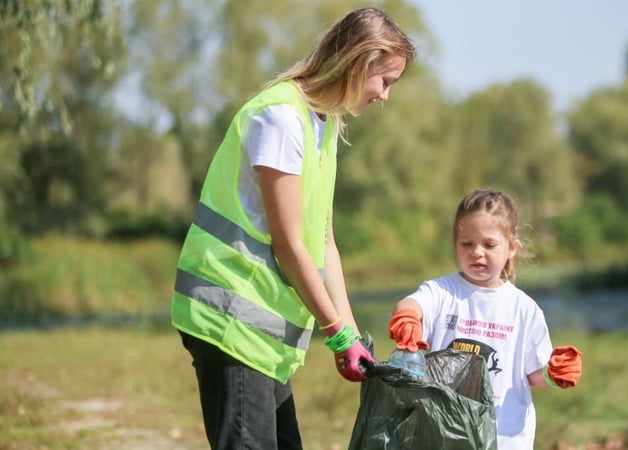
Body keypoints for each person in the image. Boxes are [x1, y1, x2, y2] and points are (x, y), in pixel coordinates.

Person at [170, 8, 415, 449]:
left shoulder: (325, 123)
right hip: (230, 319)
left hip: (260, 336)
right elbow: (288, 246)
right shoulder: (282, 118)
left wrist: (352, 333)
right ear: (358, 64)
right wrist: (336, 334)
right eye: (385, 80)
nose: (384, 96)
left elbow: (322, 242)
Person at [387, 188, 583, 449]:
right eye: (466, 244)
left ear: (512, 248)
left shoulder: (524, 308)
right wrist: (408, 316)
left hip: (504, 438)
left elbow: (534, 374)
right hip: (441, 436)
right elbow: (411, 302)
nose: (476, 252)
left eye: (489, 245)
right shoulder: (442, 292)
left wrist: (553, 373)